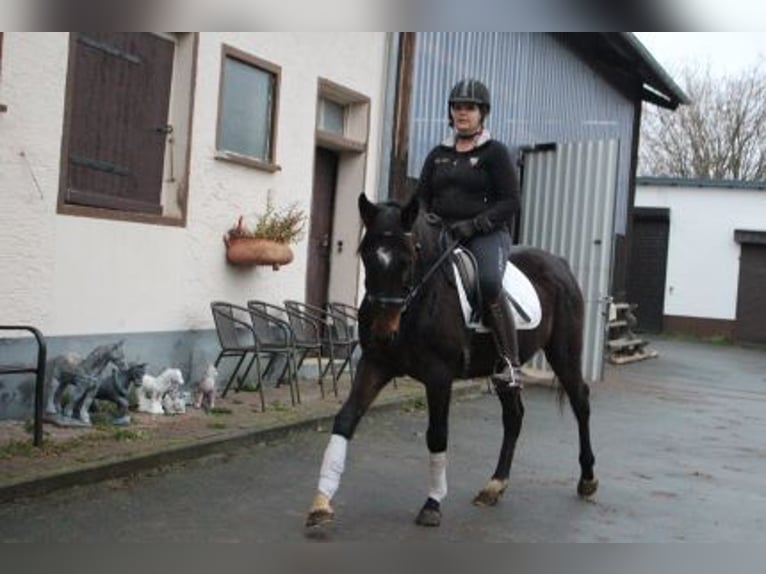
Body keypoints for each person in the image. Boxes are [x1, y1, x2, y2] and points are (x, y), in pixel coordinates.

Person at [416, 78, 521, 387]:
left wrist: (476, 224)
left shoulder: (495, 153)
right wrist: (426, 221)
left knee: (488, 282)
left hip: (486, 235)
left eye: (469, 108)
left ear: (482, 113)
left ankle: (509, 362)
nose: (462, 113)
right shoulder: (437, 154)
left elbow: (511, 201)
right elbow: (421, 196)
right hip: (443, 234)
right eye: (457, 107)